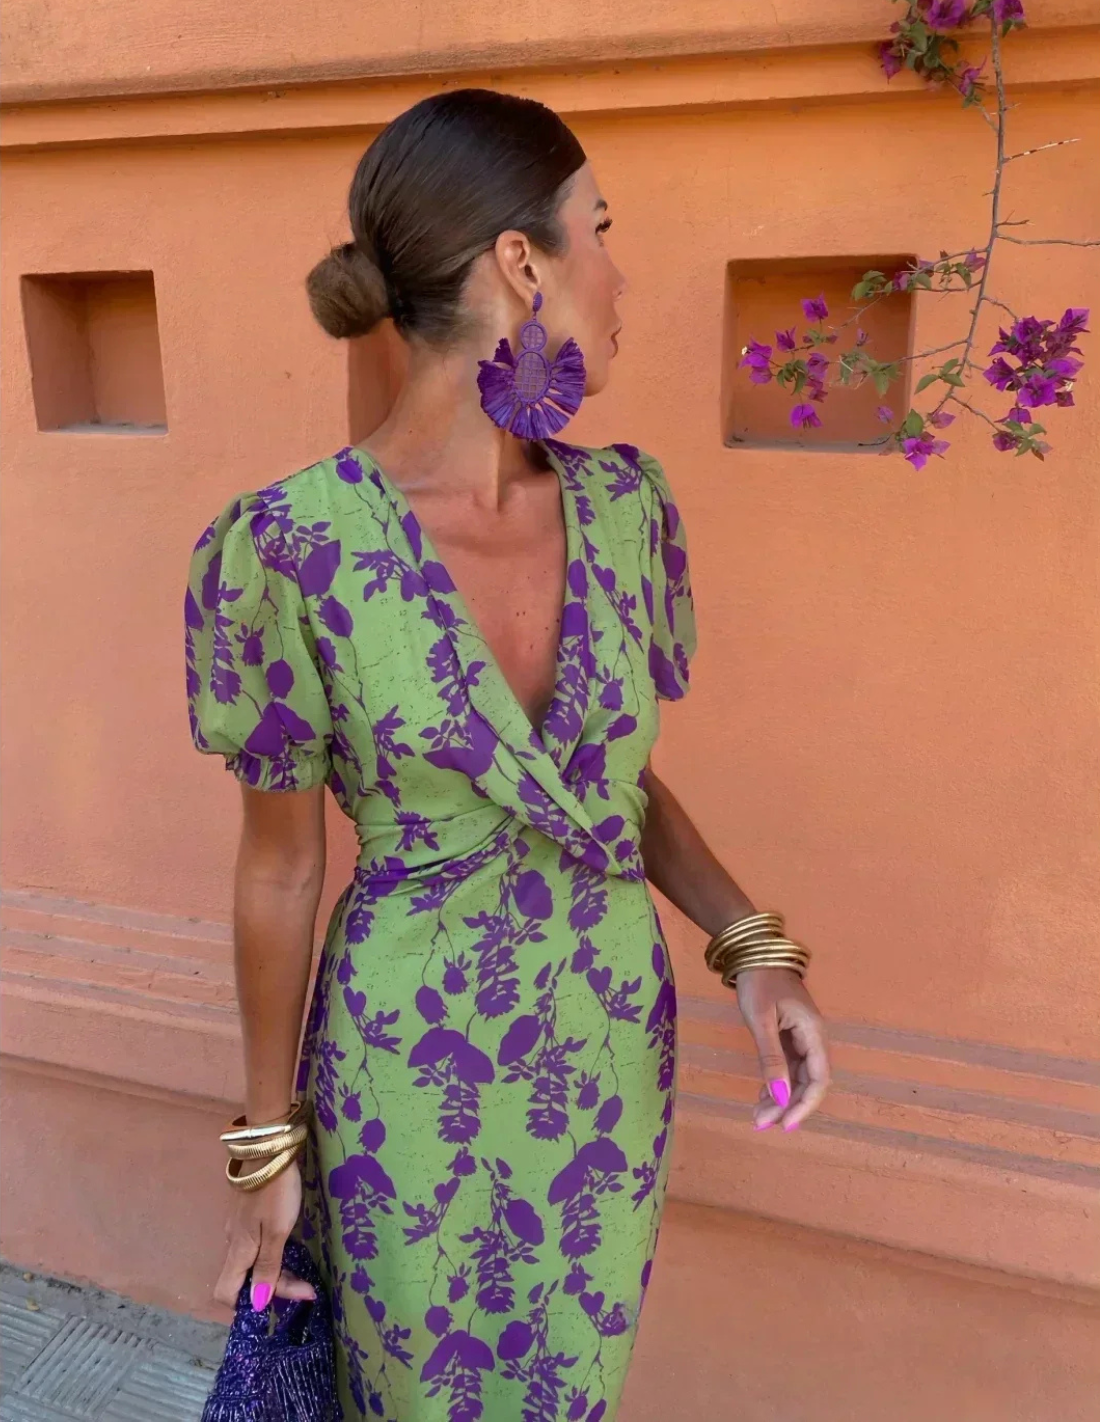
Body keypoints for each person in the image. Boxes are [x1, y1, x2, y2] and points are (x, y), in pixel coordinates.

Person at [185, 88, 830, 1421]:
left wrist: (752, 945)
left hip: (606, 1049)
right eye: (603, 229)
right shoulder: (292, 547)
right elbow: (281, 870)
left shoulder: (624, 507)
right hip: (408, 1066)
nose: (621, 273)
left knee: (571, 1387)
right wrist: (264, 1145)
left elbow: (607, 786)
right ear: (522, 262)